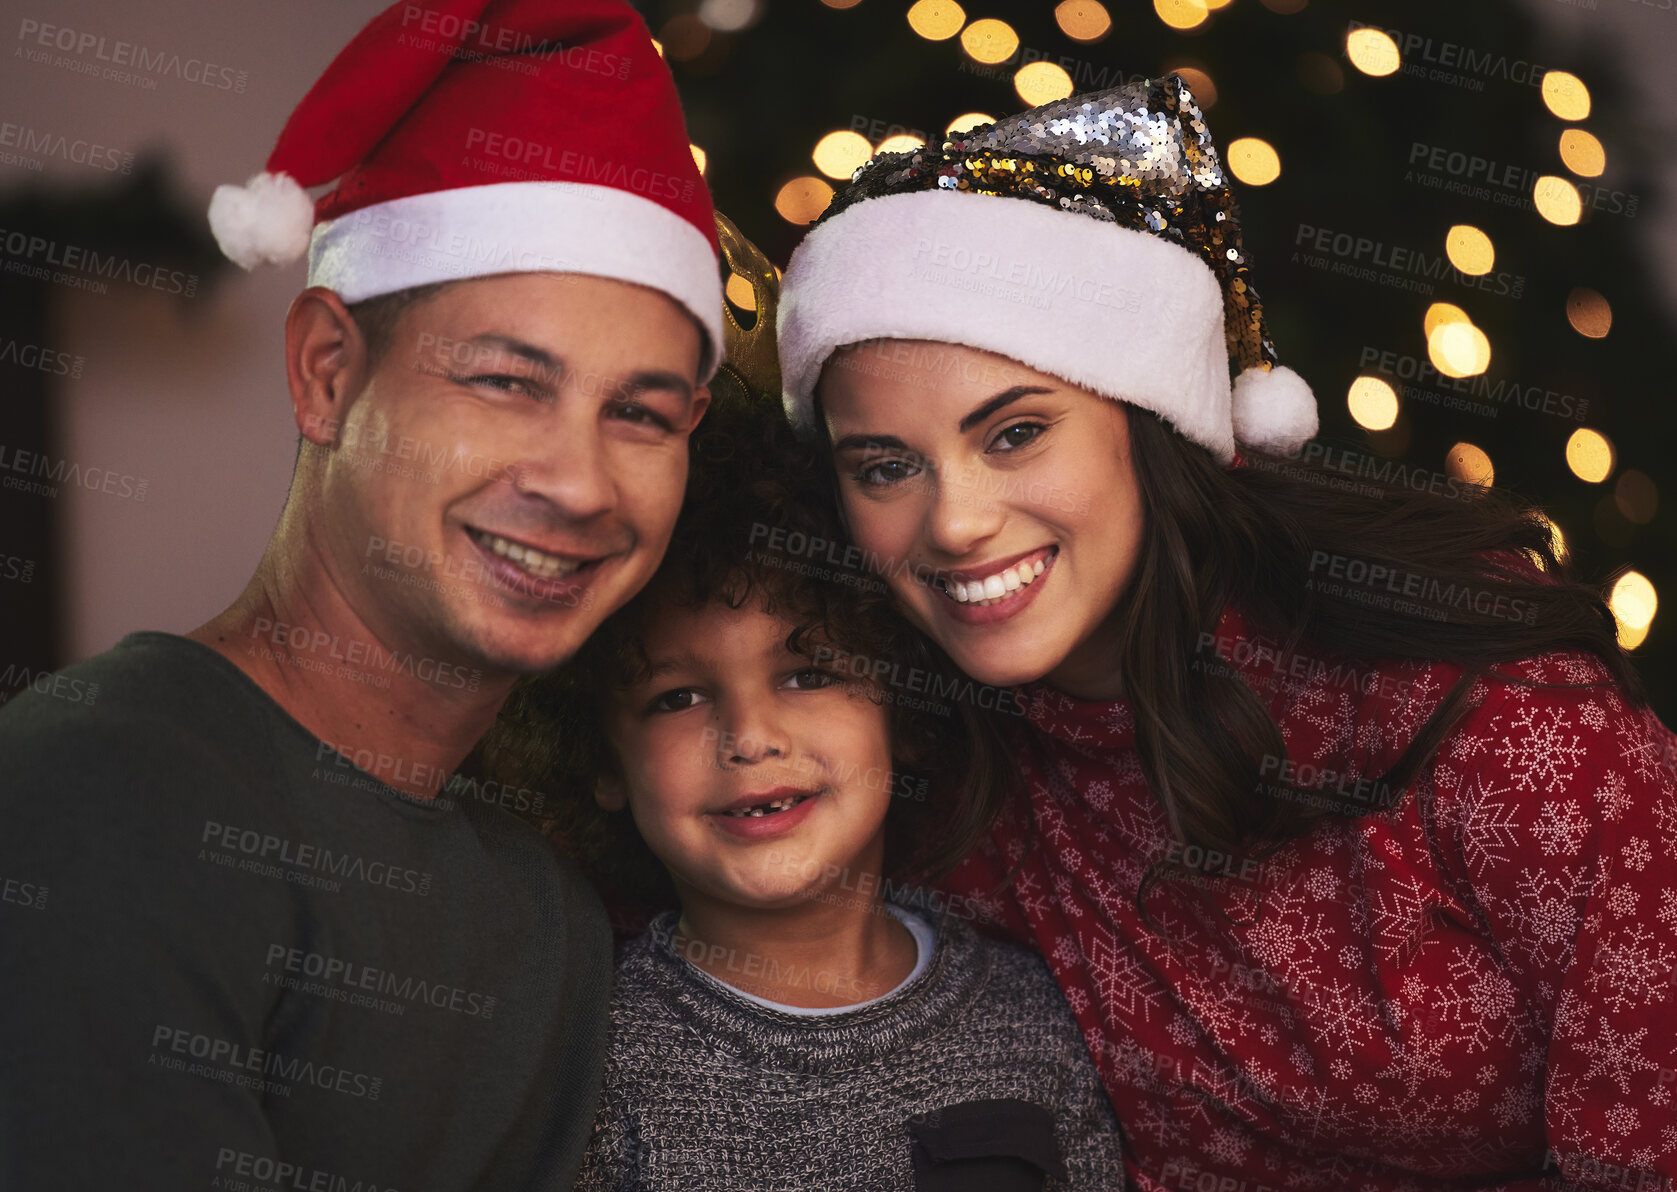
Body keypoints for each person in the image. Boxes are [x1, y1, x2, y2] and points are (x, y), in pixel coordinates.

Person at [774, 76, 1677, 1189]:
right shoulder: (907, 747)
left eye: (1014, 434)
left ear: (1151, 420)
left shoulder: (1495, 707)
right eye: (885, 466)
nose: (953, 521)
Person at [0, 0, 722, 1187]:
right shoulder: (107, 789)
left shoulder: (549, 910)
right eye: (505, 381)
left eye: (639, 413)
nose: (581, 483)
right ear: (328, 373)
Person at [483, 394, 1123, 1191]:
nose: (751, 736)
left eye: (809, 673)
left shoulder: (1032, 1017)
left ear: (904, 710)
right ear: (602, 761)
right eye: (677, 698)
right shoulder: (586, 1068)